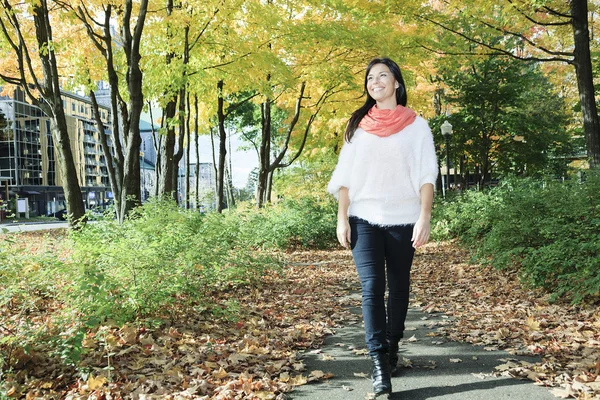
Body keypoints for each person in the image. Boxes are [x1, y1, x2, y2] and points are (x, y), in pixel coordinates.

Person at [327, 57, 438, 396]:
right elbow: (345, 176)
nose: (375, 82)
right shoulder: (357, 126)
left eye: (382, 76)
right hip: (364, 217)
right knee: (372, 287)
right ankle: (378, 362)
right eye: (370, 78)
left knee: (399, 286)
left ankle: (392, 345)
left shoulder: (417, 126)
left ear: (396, 83)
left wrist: (424, 216)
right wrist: (341, 217)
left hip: (403, 219)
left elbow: (426, 175)